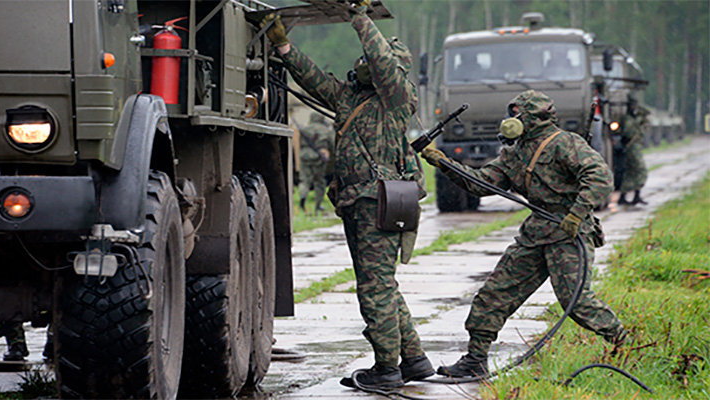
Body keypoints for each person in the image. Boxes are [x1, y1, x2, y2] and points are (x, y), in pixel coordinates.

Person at [261, 1, 433, 389]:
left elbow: (383, 62)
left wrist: (360, 19)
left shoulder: (397, 97)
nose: (363, 64)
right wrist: (285, 49)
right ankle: (415, 359)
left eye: (371, 60)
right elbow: (315, 80)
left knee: (375, 287)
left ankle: (387, 368)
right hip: (359, 202)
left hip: (380, 200)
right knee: (382, 284)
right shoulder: (352, 99)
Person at [422, 90, 627, 378]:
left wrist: (576, 214)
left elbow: (600, 177)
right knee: (493, 294)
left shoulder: (565, 144)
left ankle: (624, 343)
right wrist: (443, 162)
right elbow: (483, 184)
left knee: (576, 301)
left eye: (517, 114)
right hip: (536, 233)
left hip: (570, 235)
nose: (511, 119)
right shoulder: (514, 153)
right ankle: (475, 359)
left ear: (531, 118)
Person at [298, 112, 334, 213]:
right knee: (319, 182)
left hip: (304, 155)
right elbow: (332, 144)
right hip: (319, 156)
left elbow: (300, 143)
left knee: (304, 180)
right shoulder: (326, 130)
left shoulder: (305, 129)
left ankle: (302, 199)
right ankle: (318, 206)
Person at [617, 96, 649, 205]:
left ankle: (630, 196)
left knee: (630, 173)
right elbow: (628, 132)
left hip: (635, 146)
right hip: (632, 147)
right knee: (641, 170)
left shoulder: (634, 118)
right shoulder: (628, 119)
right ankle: (634, 194)